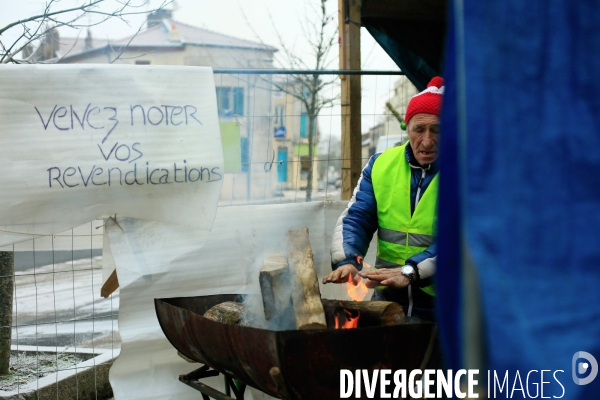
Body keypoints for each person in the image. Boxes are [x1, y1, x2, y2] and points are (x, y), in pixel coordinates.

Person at [323, 76, 444, 321]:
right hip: (387, 302)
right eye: (419, 129)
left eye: (437, 130)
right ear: (406, 127)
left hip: (444, 309)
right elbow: (357, 218)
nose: (427, 140)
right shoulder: (381, 164)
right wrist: (348, 260)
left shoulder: (467, 171)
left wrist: (409, 272)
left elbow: (461, 241)